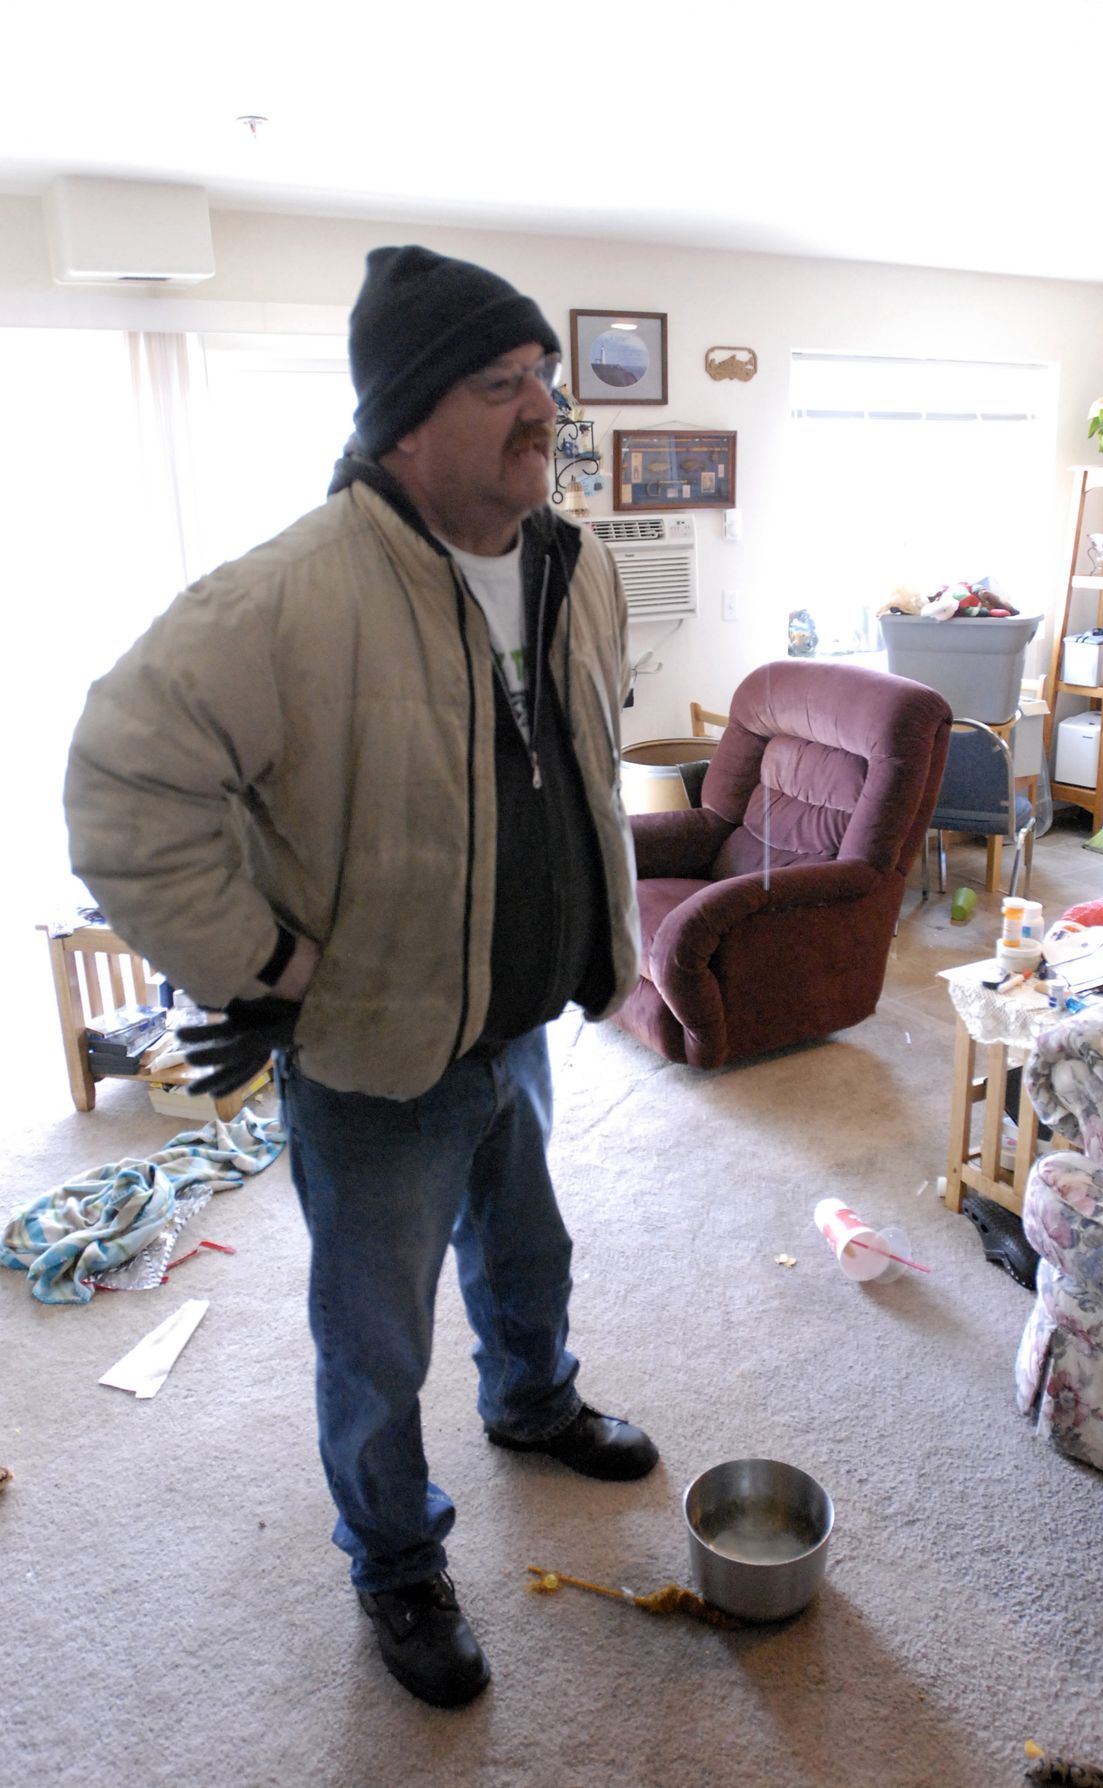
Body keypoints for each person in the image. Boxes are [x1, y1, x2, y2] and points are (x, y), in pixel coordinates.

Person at [64, 245, 657, 1709]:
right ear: (404, 416)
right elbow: (122, 791)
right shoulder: (289, 594)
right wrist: (264, 965)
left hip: (518, 1019)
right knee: (375, 1339)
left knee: (530, 1256)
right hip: (377, 1046)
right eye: (498, 383)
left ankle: (530, 1402)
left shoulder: (574, 565)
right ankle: (395, 1559)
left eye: (543, 378)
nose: (542, 408)